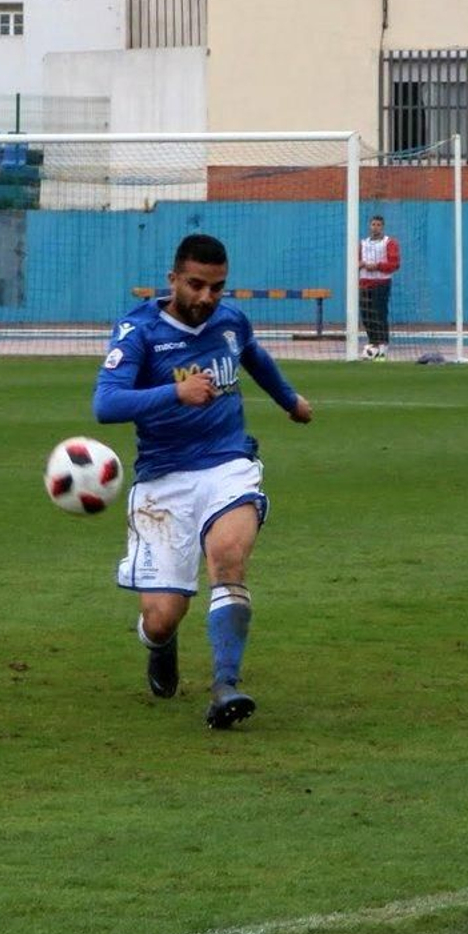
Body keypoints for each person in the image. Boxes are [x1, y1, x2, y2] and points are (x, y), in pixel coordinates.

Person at [93, 233, 313, 729]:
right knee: (162, 616)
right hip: (163, 481)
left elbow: (252, 354)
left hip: (228, 464)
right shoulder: (139, 331)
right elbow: (106, 404)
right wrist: (176, 392)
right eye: (196, 285)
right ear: (173, 280)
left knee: (229, 560)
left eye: (217, 287)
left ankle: (225, 686)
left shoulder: (230, 320)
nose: (207, 298)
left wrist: (290, 401)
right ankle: (159, 643)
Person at [359, 214, 401, 359]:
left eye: (378, 225)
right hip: (364, 283)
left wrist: (377, 266)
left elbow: (394, 264)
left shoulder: (389, 243)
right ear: (369, 226)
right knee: (366, 315)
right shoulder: (362, 243)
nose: (375, 227)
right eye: (373, 224)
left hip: (381, 283)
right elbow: (355, 261)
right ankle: (373, 343)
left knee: (379, 314)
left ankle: (383, 345)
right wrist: (359, 264)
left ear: (382, 227)